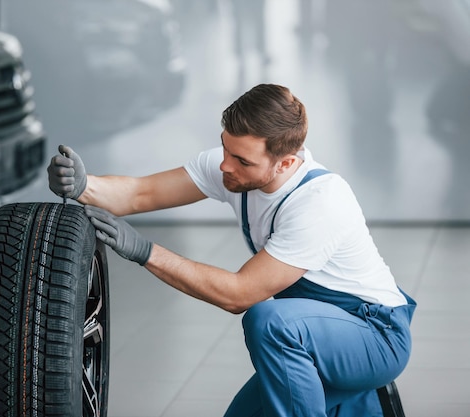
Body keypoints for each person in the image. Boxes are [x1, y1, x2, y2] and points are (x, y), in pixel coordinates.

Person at [47, 83, 416, 417]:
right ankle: (366, 403)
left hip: (374, 335)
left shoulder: (319, 202)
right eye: (226, 147)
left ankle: (361, 390)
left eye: (242, 160)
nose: (224, 165)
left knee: (269, 321)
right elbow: (142, 193)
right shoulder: (230, 166)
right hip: (312, 331)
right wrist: (83, 184)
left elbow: (240, 294)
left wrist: (145, 250)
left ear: (286, 162)